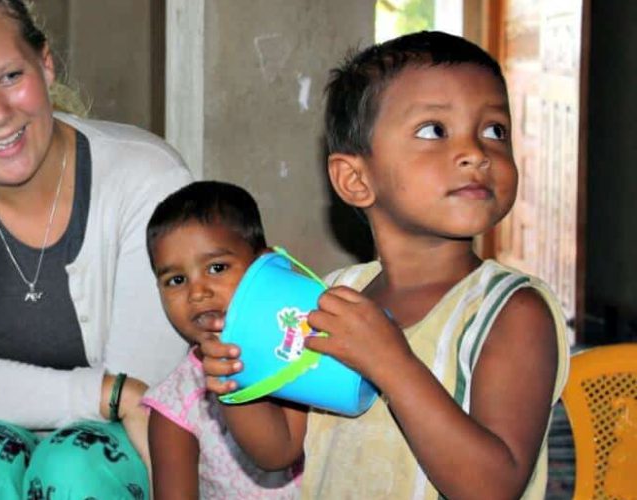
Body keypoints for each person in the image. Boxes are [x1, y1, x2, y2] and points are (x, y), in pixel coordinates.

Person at [200, 31, 571, 499]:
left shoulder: (511, 311)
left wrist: (391, 363)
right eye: (434, 130)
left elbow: (493, 487)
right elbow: (280, 448)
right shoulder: (335, 296)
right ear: (356, 179)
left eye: (494, 130)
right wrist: (237, 378)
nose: (477, 153)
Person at [0, 0, 191, 497]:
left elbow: (143, 394)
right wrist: (106, 392)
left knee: (73, 464)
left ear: (45, 63)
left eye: (9, 77)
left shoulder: (148, 179)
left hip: (127, 453)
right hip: (35, 436)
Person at [141, 181, 302, 499]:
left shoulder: (300, 344)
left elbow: (282, 449)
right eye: (176, 280)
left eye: (216, 268)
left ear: (264, 266)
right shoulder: (176, 404)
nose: (197, 292)